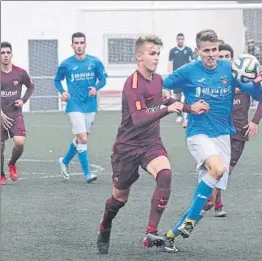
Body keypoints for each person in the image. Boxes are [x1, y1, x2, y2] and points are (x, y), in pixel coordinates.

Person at [96, 34, 209, 254]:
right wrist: (167, 109)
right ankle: (105, 225)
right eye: (152, 53)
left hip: (151, 143)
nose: (156, 58)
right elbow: (138, 119)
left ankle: (151, 232)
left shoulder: (158, 80)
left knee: (165, 173)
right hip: (127, 147)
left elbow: (165, 99)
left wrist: (189, 107)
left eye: (158, 53)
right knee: (119, 198)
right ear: (139, 56)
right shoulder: (132, 83)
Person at [162, 29, 262, 253]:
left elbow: (258, 97)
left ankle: (170, 235)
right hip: (198, 133)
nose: (211, 54)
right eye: (206, 50)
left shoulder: (229, 70)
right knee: (217, 169)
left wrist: (256, 82)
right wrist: (187, 108)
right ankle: (189, 222)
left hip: (222, 136)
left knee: (209, 201)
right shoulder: (188, 70)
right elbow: (161, 88)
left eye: (215, 50)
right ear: (197, 51)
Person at [200, 43, 262, 218]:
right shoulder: (212, 80)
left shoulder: (245, 79)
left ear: (233, 60)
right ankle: (214, 202)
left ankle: (212, 200)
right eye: (220, 56)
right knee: (217, 169)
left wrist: (254, 122)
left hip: (239, 132)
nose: (222, 59)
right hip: (216, 131)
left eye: (226, 57)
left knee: (226, 170)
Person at [54, 32, 107, 183]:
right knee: (83, 138)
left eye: (81, 43)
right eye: (76, 43)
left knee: (81, 138)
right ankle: (87, 174)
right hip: (74, 104)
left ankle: (64, 161)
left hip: (90, 104)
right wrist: (63, 92)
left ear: (85, 44)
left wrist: (96, 88)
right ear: (72, 45)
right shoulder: (66, 64)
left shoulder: (94, 62)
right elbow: (57, 80)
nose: (79, 46)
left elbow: (103, 79)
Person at [1, 41, 35, 185]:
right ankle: (1, 174)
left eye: (8, 52)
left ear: (12, 54)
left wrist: (23, 100)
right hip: (0, 115)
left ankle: (12, 163)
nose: (5, 55)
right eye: (2, 53)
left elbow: (31, 87)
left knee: (20, 142)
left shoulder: (20, 73)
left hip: (15, 113)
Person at [168, 33, 195, 123]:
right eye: (179, 39)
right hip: (177, 78)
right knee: (177, 98)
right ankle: (179, 115)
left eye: (182, 39)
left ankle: (188, 116)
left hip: (187, 78)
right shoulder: (172, 51)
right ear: (176, 40)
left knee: (188, 97)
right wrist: (171, 75)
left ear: (184, 40)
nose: (180, 40)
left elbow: (192, 63)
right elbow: (170, 63)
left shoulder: (188, 50)